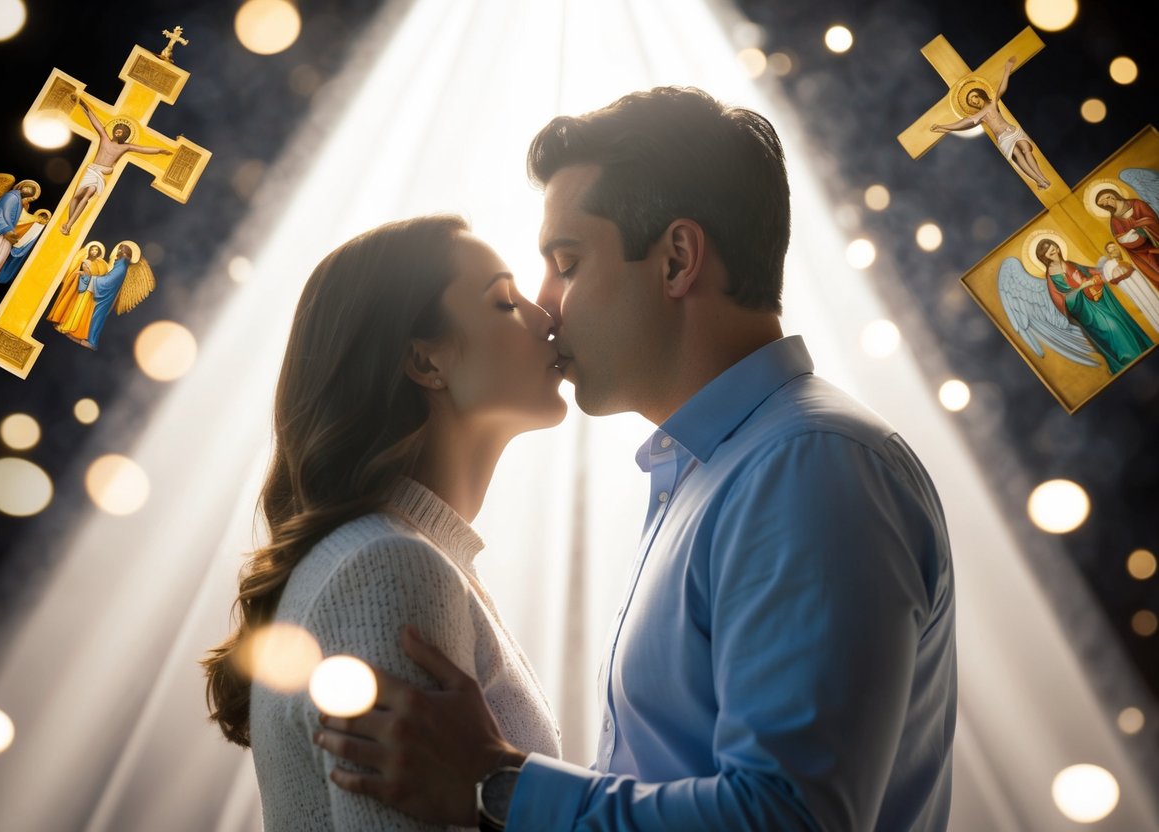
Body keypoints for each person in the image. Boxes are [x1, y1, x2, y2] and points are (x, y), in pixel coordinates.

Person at [315, 86, 958, 831]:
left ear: (677, 258)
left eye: (566, 260)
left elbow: (783, 818)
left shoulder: (809, 465)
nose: (545, 305)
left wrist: (497, 782)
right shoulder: (714, 470)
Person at [202, 215, 567, 830]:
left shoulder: (417, 559)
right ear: (424, 361)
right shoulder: (389, 567)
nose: (544, 317)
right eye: (505, 301)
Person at [930, 56, 1050, 190]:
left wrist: (1007, 69)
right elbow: (965, 122)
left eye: (974, 96)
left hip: (1012, 130)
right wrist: (944, 127)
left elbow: (1002, 89)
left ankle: (1042, 178)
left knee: (1027, 150)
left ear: (980, 94)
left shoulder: (992, 103)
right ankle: (1038, 180)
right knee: (1017, 154)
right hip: (1003, 138)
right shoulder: (979, 115)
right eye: (970, 100)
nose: (973, 100)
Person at [60, 95, 173, 235]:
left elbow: (143, 149)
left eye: (122, 132)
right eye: (117, 130)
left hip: (100, 174)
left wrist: (159, 151)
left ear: (125, 136)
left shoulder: (124, 147)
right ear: (113, 131)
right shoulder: (104, 138)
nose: (119, 132)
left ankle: (69, 225)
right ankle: (69, 223)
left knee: (87, 195)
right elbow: (95, 122)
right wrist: (83, 104)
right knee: (76, 197)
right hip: (92, 170)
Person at [1037, 237, 1151, 374]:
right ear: (1044, 257)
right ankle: (1128, 359)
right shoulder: (1050, 278)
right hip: (1084, 310)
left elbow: (1088, 271)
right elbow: (1062, 302)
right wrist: (1082, 288)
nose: (1055, 253)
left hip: (1097, 299)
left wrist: (1103, 272)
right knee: (1112, 327)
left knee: (1118, 322)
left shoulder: (1069, 263)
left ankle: (1139, 352)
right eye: (1051, 253)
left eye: (1055, 249)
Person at [1096, 186, 1159, 289]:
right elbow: (1120, 239)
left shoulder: (1136, 204)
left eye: (1106, 199)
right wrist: (1133, 236)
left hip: (1155, 239)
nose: (1106, 203)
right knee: (1155, 272)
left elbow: (1153, 220)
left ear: (1112, 195)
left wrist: (1140, 226)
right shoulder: (1115, 220)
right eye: (1103, 204)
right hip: (1140, 252)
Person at [1099, 241, 1159, 332]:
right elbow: (1111, 278)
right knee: (1147, 306)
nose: (1113, 250)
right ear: (1108, 253)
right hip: (1132, 288)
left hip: (1143, 284)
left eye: (1114, 247)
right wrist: (1122, 271)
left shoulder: (1128, 258)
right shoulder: (1109, 265)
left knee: (1154, 299)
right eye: (1110, 249)